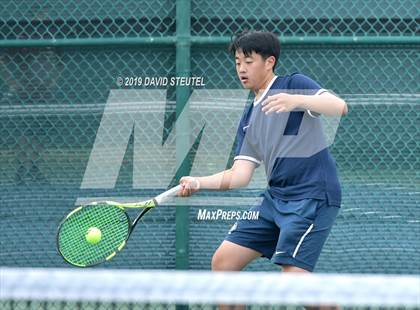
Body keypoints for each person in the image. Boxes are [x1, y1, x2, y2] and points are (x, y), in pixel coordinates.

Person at [178, 30, 348, 309]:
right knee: (224, 262)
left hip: (312, 197)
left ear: (269, 62)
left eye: (248, 61)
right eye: (237, 63)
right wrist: (198, 182)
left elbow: (339, 106)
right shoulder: (249, 118)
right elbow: (239, 176)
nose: (241, 69)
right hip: (274, 200)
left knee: (295, 282)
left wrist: (297, 100)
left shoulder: (293, 83)